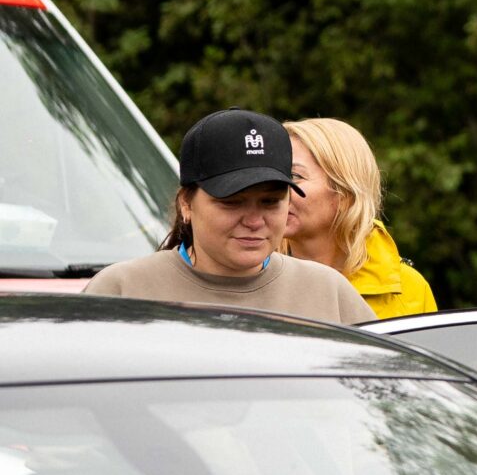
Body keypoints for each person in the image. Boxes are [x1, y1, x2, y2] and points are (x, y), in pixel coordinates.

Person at [86, 111, 374, 326]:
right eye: (232, 202)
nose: (254, 221)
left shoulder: (329, 293)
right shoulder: (121, 290)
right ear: (186, 203)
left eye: (270, 202)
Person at [283, 117, 436, 319]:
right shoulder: (252, 277)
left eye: (294, 176)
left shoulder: (409, 290)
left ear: (345, 193)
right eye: (274, 175)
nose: (275, 190)